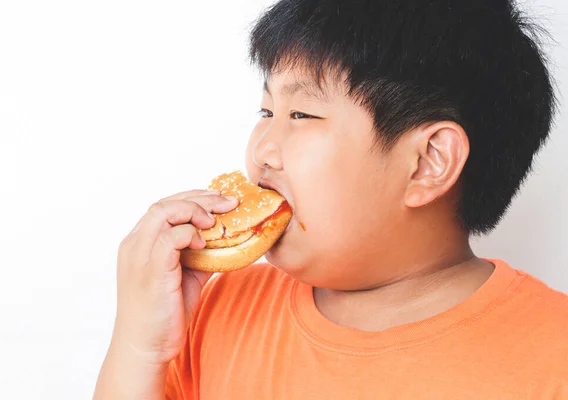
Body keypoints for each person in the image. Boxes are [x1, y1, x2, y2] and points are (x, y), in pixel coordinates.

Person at [94, 0, 568, 398]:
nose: (262, 151)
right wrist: (141, 346)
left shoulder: (553, 354)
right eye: (266, 111)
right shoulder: (211, 309)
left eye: (301, 113)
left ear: (428, 162)